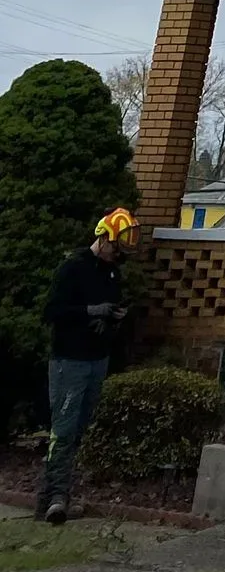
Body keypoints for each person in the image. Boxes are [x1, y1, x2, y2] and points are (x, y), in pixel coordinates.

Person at [36, 207, 138, 524]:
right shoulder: (73, 268)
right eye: (115, 247)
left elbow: (108, 314)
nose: (117, 255)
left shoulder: (112, 274)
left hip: (97, 360)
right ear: (103, 237)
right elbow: (52, 311)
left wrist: (112, 320)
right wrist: (91, 311)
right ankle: (54, 498)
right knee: (63, 431)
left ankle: (57, 493)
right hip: (70, 360)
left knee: (79, 430)